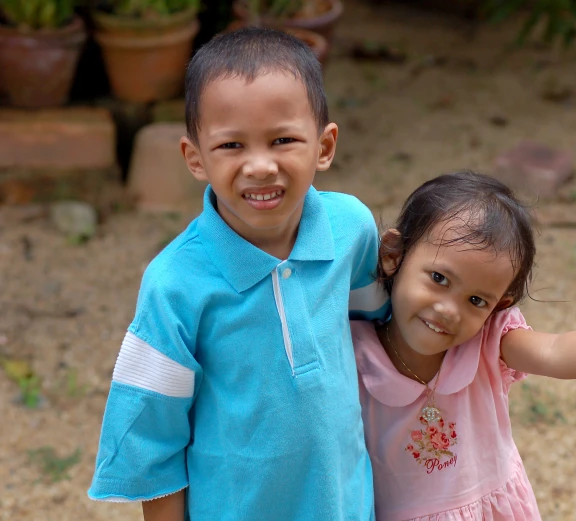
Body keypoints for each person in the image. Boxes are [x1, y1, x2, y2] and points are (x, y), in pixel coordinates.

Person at [88, 27, 387, 520]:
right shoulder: (174, 283)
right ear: (195, 158)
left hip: (346, 504)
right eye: (231, 146)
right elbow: (151, 439)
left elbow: (381, 332)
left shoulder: (352, 230)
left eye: (284, 139)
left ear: (325, 145)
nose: (260, 166)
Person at [350, 170, 576, 521]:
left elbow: (557, 351)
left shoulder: (488, 343)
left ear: (499, 306)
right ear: (393, 255)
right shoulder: (351, 357)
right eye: (439, 278)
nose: (449, 310)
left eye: (476, 300)